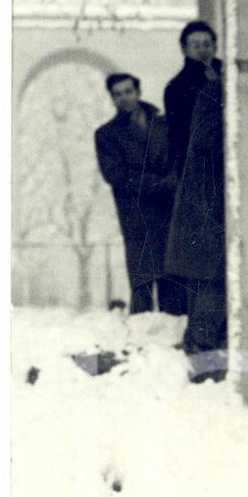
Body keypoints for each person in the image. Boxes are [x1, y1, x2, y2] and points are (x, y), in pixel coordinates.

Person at [94, 72, 185, 315]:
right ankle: (140, 345)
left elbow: (178, 160)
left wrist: (172, 182)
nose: (124, 98)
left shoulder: (165, 125)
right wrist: (160, 183)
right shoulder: (106, 135)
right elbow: (116, 175)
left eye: (128, 91)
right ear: (112, 98)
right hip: (137, 218)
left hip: (168, 213)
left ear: (138, 92)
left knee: (172, 285)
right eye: (117, 94)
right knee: (142, 285)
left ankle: (173, 342)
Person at [164, 75, 226, 379]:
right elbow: (209, 142)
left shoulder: (214, 96)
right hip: (206, 223)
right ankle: (201, 365)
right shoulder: (215, 99)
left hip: (209, 222)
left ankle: (204, 362)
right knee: (208, 293)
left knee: (210, 294)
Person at [163, 20, 220, 172]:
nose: (202, 50)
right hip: (197, 164)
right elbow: (180, 134)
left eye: (207, 44)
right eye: (195, 46)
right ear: (184, 49)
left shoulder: (229, 74)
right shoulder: (176, 87)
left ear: (215, 47)